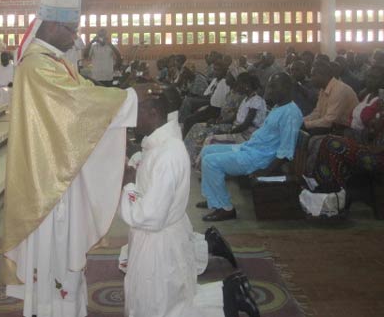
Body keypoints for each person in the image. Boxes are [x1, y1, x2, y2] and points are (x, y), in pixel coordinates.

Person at [0, 0, 139, 317]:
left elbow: (81, 93)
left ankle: (65, 307)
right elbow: (77, 103)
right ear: (52, 25)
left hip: (60, 167)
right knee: (57, 248)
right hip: (49, 183)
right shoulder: (38, 65)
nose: (76, 38)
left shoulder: (51, 60)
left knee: (64, 251)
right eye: (72, 30)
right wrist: (130, 99)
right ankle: (52, 309)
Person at [120, 93, 259, 317]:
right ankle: (228, 293)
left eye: (136, 113)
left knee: (161, 308)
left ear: (153, 113)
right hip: (162, 236)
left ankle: (228, 296)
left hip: (157, 241)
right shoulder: (161, 145)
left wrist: (129, 186)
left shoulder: (167, 155)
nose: (132, 121)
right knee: (167, 301)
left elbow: (151, 216)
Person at [198, 73, 303, 221]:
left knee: (210, 162)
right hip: (250, 148)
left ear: (286, 88)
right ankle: (213, 199)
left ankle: (225, 208)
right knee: (207, 150)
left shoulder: (291, 113)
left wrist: (265, 171)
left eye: (273, 87)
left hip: (259, 158)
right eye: (269, 86)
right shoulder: (279, 107)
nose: (269, 91)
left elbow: (286, 151)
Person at [303, 61, 358, 135]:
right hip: (332, 127)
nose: (311, 79)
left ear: (324, 75)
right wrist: (301, 121)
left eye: (313, 75)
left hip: (346, 130)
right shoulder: (323, 89)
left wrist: (305, 125)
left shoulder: (339, 90)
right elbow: (317, 113)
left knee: (310, 133)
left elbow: (329, 121)